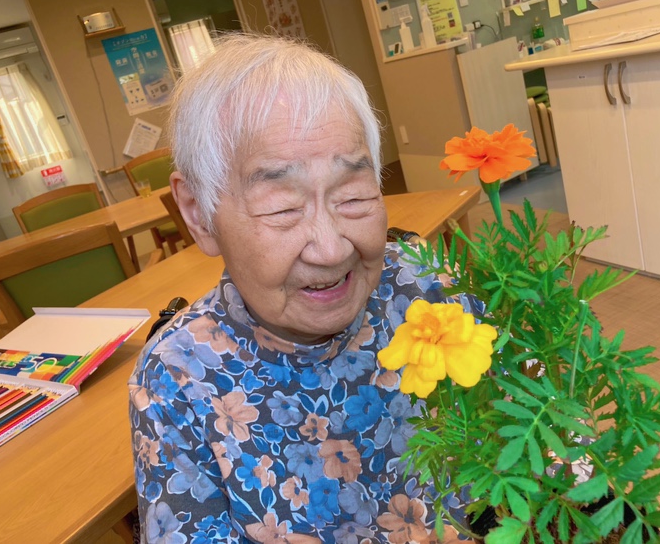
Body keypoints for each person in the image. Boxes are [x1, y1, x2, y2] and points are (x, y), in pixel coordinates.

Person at [129, 33, 481, 543]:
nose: (332, 249)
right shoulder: (179, 377)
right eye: (282, 207)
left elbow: (552, 447)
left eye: (353, 195)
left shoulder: (426, 286)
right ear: (198, 214)